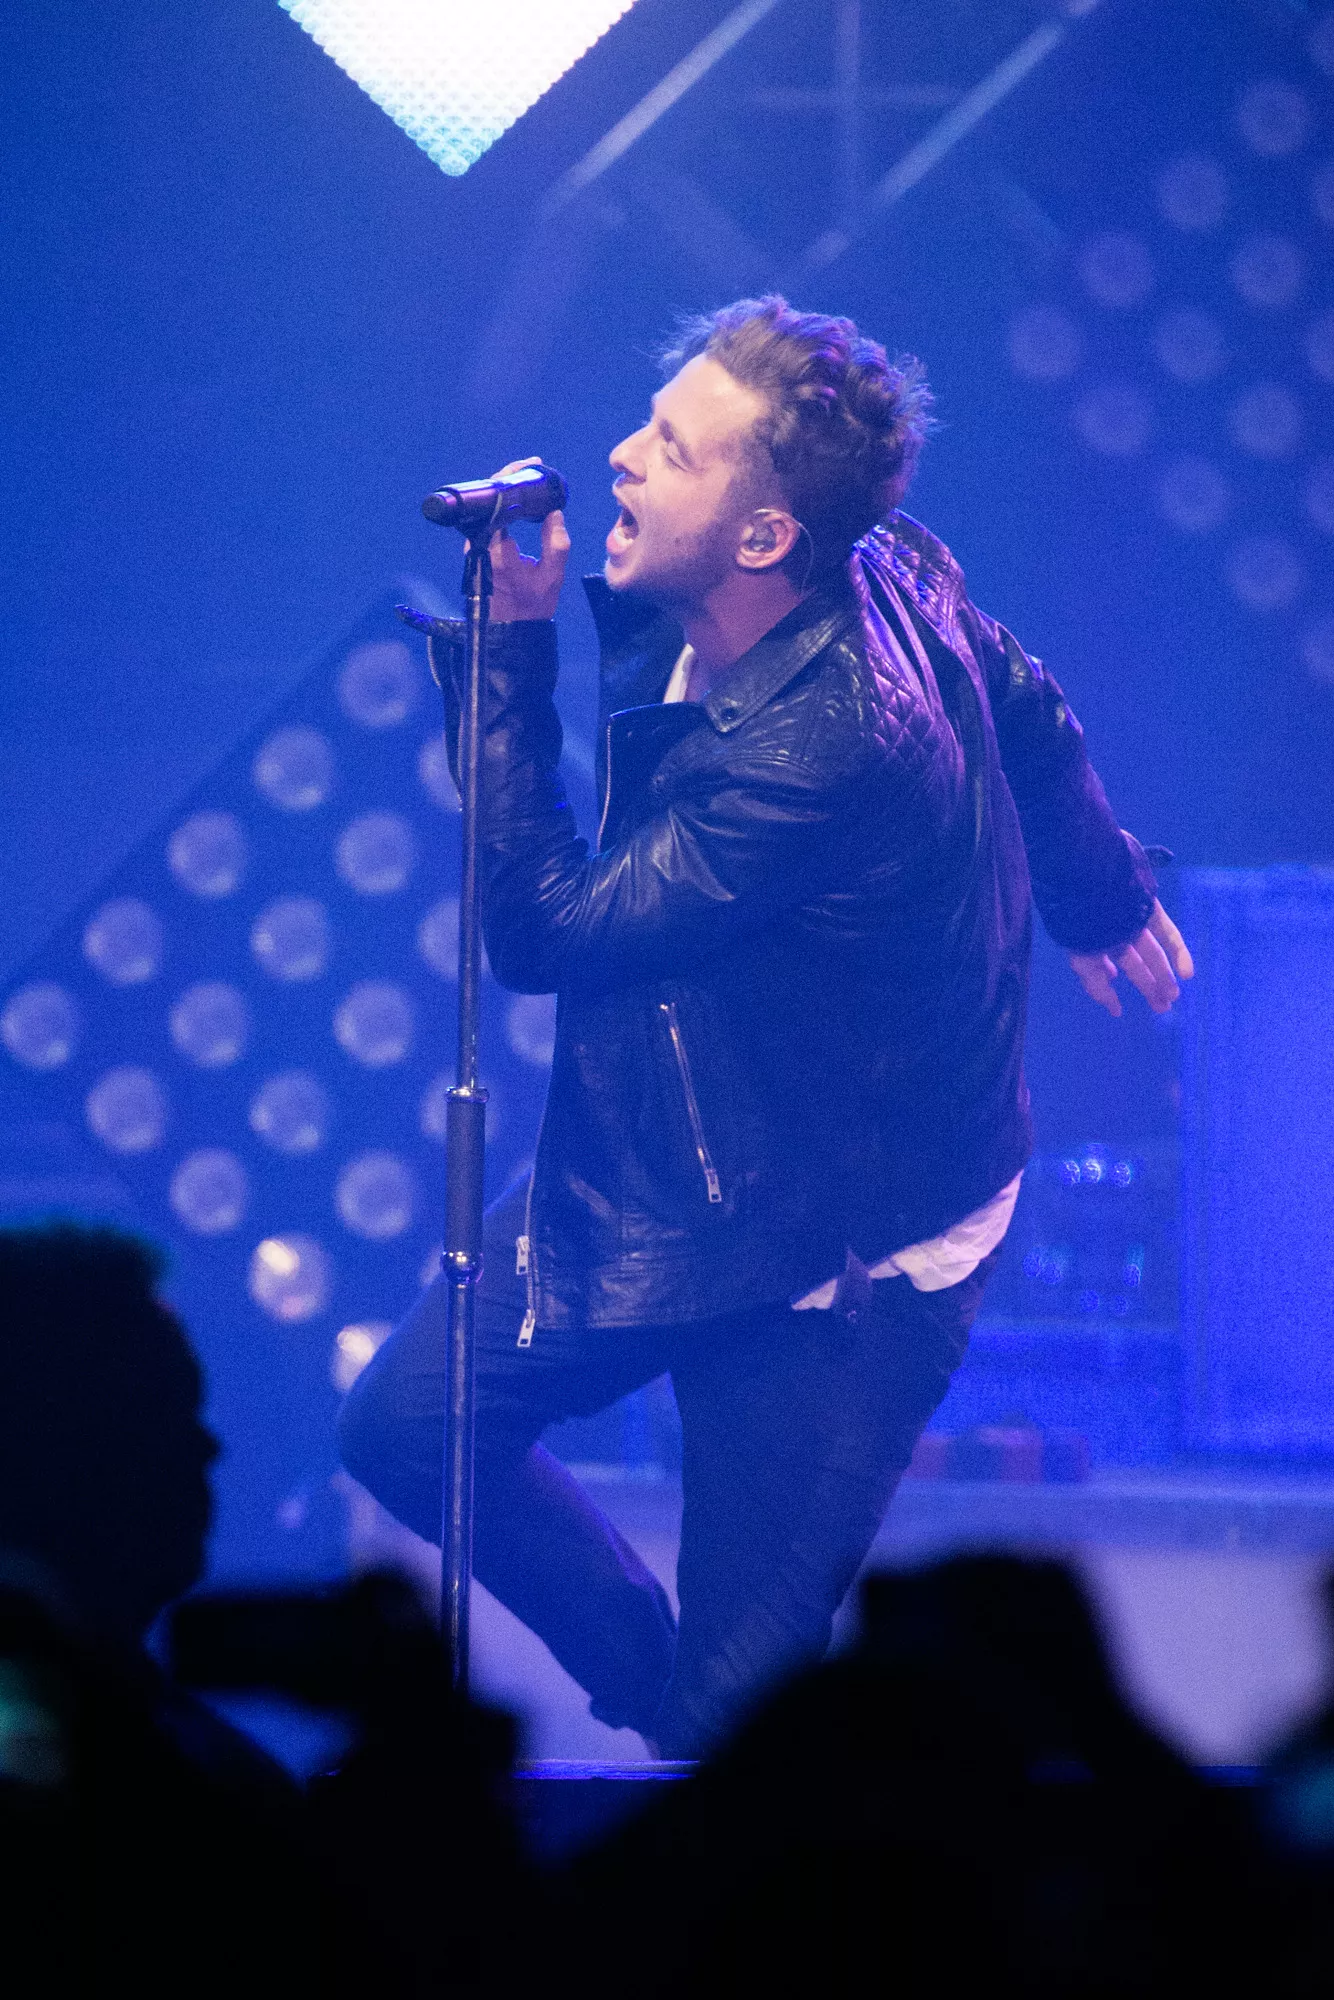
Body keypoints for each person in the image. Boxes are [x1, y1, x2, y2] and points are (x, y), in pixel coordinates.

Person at [340, 295, 1192, 1758]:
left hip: (848, 1252)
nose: (620, 456)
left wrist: (508, 658)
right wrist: (1100, 894)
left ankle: (710, 1742)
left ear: (762, 538)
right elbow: (1026, 700)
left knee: (735, 1728)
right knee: (409, 1431)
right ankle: (656, 1687)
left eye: (671, 450)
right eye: (649, 421)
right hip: (685, 1160)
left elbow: (548, 935)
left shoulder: (825, 741)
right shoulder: (886, 561)